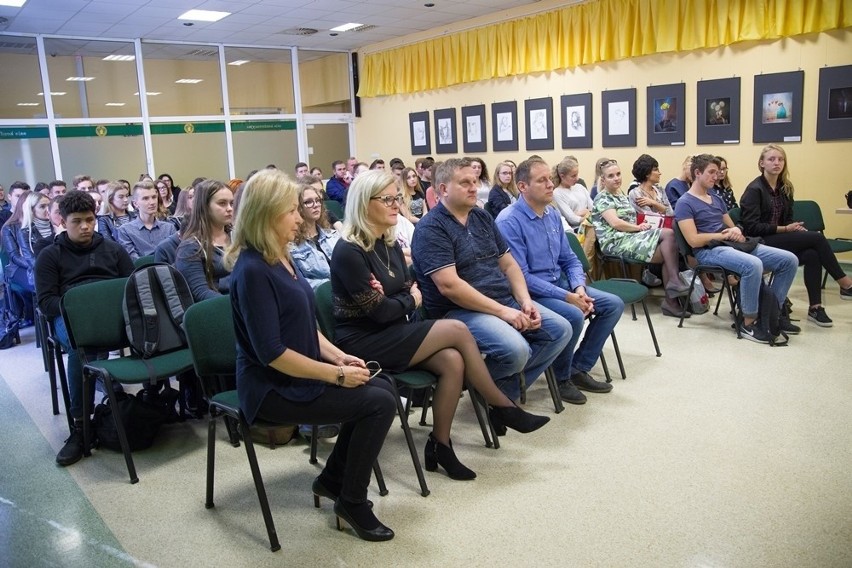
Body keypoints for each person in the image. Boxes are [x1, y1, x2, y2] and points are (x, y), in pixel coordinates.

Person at [333, 170, 550, 476]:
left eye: (397, 198)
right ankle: (502, 406)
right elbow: (382, 311)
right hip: (361, 342)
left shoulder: (390, 244)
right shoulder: (348, 251)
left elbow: (409, 287)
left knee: (452, 361)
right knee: (458, 330)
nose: (396, 205)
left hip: (393, 331)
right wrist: (408, 300)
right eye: (387, 199)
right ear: (363, 204)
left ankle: (440, 445)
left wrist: (403, 298)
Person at [224, 168, 397, 542]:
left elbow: (306, 326)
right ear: (266, 215)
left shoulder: (281, 257)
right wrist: (334, 375)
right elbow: (271, 354)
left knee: (383, 385)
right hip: (272, 388)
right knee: (377, 403)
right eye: (290, 210)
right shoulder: (253, 270)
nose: (300, 217)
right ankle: (352, 500)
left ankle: (334, 480)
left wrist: (339, 358)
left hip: (301, 374)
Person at [411, 158, 573, 410]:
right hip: (458, 313)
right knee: (516, 350)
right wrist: (504, 312)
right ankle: (489, 393)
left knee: (560, 330)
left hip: (502, 300)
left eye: (475, 181)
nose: (474, 187)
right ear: (443, 190)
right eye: (465, 183)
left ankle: (497, 395)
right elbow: (450, 287)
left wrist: (525, 301)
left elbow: (509, 265)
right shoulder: (431, 228)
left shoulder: (481, 217)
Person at [496, 158, 623, 404]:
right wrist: (568, 297)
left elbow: (571, 260)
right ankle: (560, 377)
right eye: (541, 180)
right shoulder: (508, 220)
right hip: (533, 294)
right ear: (522, 186)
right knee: (573, 315)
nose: (550, 185)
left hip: (563, 285)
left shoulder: (552, 215)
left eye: (549, 179)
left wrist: (578, 287)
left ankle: (578, 367)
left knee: (612, 305)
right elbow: (519, 276)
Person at [35, 191, 134, 465]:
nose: (86, 226)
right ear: (62, 221)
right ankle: (81, 427)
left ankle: (150, 399)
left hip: (113, 314)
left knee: (149, 332)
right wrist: (80, 308)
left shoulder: (113, 249)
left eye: (90, 220)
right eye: (77, 221)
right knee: (83, 349)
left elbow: (132, 286)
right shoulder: (50, 256)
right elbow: (46, 302)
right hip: (71, 319)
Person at [675, 154, 800, 343]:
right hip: (708, 251)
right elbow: (693, 241)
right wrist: (723, 235)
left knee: (789, 260)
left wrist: (735, 230)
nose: (716, 176)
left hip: (730, 245)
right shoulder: (685, 202)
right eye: (711, 172)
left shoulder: (716, 199)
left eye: (718, 173)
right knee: (753, 265)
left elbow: (732, 226)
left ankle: (773, 313)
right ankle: (748, 322)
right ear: (697, 173)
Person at [739, 144, 852, 327]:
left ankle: (815, 307)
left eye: (780, 159)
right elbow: (751, 227)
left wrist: (795, 229)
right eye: (771, 159)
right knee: (817, 238)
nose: (777, 163)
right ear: (762, 164)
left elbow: (788, 219)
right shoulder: (754, 189)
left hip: (778, 238)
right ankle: (845, 283)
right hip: (760, 242)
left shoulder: (785, 187)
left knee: (812, 254)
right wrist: (786, 230)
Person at [591, 159, 690, 317]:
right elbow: (616, 223)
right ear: (603, 180)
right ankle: (673, 289)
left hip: (631, 237)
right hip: (616, 242)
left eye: (618, 174)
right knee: (669, 235)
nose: (616, 178)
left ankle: (671, 298)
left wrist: (643, 225)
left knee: (668, 249)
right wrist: (638, 228)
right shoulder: (603, 198)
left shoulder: (620, 195)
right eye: (611, 176)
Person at [175, 180, 234, 302]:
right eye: (222, 203)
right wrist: (239, 306)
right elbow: (200, 293)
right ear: (205, 207)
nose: (229, 209)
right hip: (221, 310)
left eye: (231, 203)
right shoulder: (190, 247)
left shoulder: (238, 238)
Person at [291, 183, 341, 290]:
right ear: (297, 207)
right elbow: (301, 283)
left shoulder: (334, 236)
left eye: (318, 200)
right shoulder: (291, 247)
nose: (316, 204)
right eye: (308, 202)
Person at [116, 181, 177, 260]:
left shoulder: (169, 228)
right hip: (141, 271)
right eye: (145, 198)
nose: (152, 202)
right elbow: (134, 261)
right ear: (135, 204)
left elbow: (175, 257)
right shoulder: (125, 231)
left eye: (154, 197)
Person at [2, 190, 34, 322]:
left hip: (36, 264)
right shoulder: (9, 227)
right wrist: (35, 264)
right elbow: (14, 256)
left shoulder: (38, 224)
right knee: (40, 283)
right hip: (17, 268)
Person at [16, 192, 55, 286]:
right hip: (40, 276)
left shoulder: (58, 225)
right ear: (32, 210)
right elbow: (32, 261)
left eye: (49, 206)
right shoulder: (25, 232)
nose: (47, 209)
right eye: (42, 206)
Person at [551, 156, 593, 231]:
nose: (577, 178)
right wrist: (588, 216)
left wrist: (585, 214)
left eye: (577, 174)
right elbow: (572, 219)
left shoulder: (580, 187)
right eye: (573, 176)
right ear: (562, 176)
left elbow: (593, 208)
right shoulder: (557, 193)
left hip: (590, 224)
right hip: (577, 229)